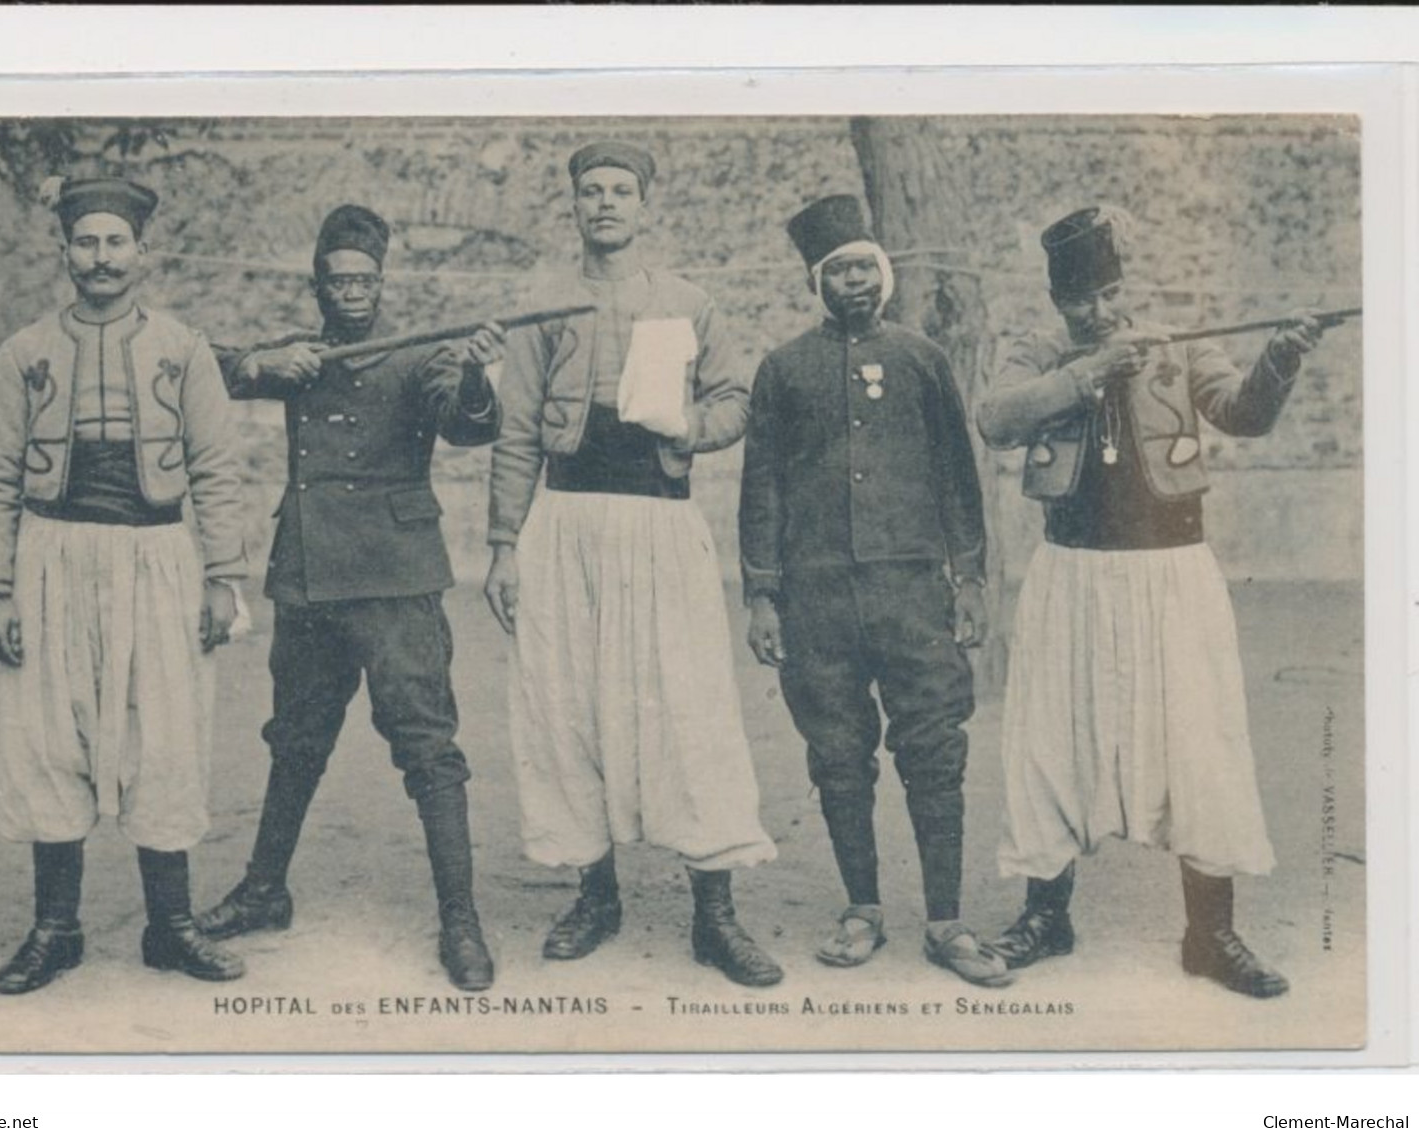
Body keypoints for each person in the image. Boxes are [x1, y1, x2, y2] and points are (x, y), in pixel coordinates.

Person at [976, 206, 1325, 998]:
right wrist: (1086, 369)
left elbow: (1246, 414)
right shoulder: (1041, 352)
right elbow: (995, 418)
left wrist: (1279, 360)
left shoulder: (1174, 345)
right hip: (1072, 574)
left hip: (1172, 575)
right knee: (1052, 742)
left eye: (1109, 295)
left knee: (1198, 742)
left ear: (1125, 287)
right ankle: (1045, 915)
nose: (1099, 312)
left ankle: (1211, 933)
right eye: (1082, 302)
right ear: (1059, 301)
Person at [484, 140, 782, 988]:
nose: (606, 203)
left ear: (645, 207)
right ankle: (595, 891)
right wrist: (503, 545)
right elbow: (513, 435)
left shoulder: (687, 302)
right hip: (565, 520)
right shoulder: (543, 306)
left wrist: (690, 423)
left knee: (689, 705)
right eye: (592, 191)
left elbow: (736, 399)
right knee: (570, 704)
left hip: (659, 521)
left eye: (621, 191)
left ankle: (714, 912)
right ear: (574, 206)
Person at [195, 205, 505, 993]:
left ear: (383, 283)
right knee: (295, 739)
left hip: (397, 581)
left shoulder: (420, 356)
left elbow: (469, 423)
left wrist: (472, 371)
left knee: (429, 749)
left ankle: (460, 917)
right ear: (320, 286)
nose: (354, 293)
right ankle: (267, 887)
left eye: (365, 280)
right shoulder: (300, 356)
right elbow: (202, 366)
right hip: (308, 577)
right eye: (339, 281)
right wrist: (268, 366)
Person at [0, 176, 249, 993]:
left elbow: (217, 470)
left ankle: (171, 926)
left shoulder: (183, 347)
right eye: (86, 243)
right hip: (50, 554)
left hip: (158, 554)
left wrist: (223, 576)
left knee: (165, 729)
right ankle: (55, 927)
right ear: (64, 252)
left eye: (115, 242)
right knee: (50, 731)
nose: (101, 258)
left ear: (142, 252)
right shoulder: (24, 352)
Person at [739, 194, 1009, 988]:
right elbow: (762, 490)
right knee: (838, 756)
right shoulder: (783, 370)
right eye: (838, 270)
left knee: (934, 750)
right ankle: (862, 908)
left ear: (882, 275)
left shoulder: (923, 359)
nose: (853, 282)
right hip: (816, 599)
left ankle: (947, 921)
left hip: (914, 592)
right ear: (817, 281)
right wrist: (762, 593)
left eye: (864, 266)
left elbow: (961, 480)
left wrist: (969, 580)